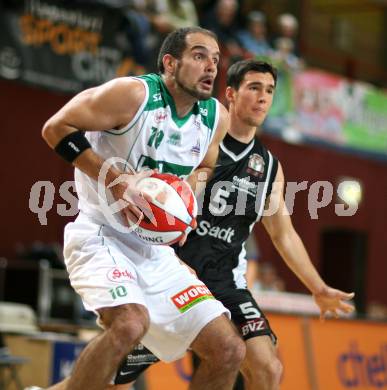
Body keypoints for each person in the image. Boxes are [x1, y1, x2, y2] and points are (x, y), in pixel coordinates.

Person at [107, 59, 355, 390]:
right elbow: (152, 206)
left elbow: (283, 233)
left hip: (225, 282)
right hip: (173, 274)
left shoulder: (268, 167)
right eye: (254, 88)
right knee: (109, 381)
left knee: (267, 368)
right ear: (231, 94)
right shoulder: (194, 141)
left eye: (269, 91)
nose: (263, 97)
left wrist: (318, 288)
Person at [41, 27, 246, 390]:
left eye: (215, 59)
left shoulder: (215, 118)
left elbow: (207, 166)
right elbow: (56, 128)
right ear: (170, 62)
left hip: (155, 250)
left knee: (228, 349)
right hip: (101, 234)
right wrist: (113, 180)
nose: (211, 67)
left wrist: (184, 201)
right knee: (130, 324)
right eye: (199, 56)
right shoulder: (132, 95)